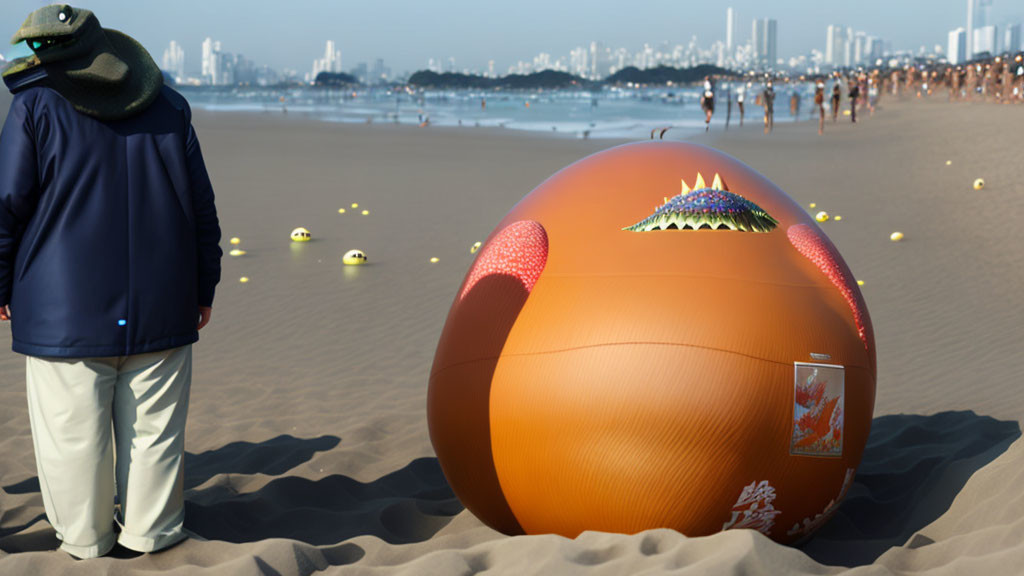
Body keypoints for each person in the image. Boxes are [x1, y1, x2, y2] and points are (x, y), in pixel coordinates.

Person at [0, 5, 222, 559]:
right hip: (164, 298)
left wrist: (1, 286)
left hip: (62, 307)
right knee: (157, 432)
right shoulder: (169, 105)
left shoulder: (34, 105)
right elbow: (202, 210)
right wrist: (204, 288)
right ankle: (152, 535)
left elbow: (6, 206)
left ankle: (86, 542)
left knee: (73, 437)